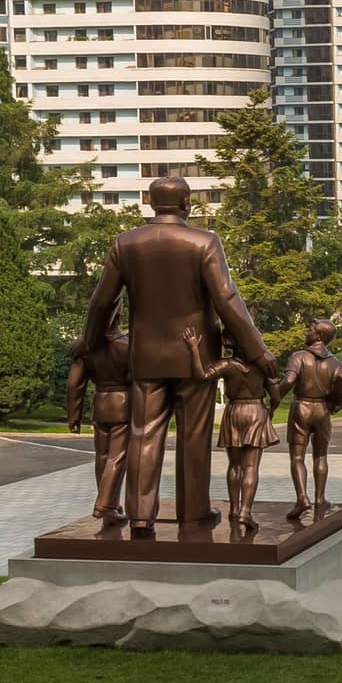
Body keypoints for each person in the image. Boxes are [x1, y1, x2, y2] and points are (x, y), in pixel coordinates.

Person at [80, 176, 274, 537]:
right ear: (186, 202)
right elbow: (228, 301)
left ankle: (140, 515)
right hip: (195, 356)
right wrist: (257, 351)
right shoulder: (203, 242)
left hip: (147, 357)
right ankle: (193, 510)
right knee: (194, 435)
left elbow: (101, 301)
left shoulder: (126, 243)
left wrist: (90, 341)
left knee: (144, 434)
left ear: (151, 202)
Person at [182, 327, 279, 531]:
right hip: (255, 410)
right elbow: (276, 394)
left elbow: (201, 375)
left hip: (234, 411)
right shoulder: (262, 365)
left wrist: (193, 348)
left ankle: (235, 509)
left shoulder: (227, 365)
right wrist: (271, 409)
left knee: (234, 465)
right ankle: (246, 511)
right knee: (251, 467)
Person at [275, 320, 342, 519]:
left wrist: (273, 400)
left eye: (310, 329)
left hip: (301, 407)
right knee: (321, 457)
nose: (306, 331)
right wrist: (334, 407)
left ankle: (302, 497)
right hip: (322, 410)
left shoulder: (299, 357)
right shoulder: (334, 362)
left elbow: (289, 381)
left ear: (318, 336)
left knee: (297, 456)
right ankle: (320, 498)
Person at [66, 301, 131, 526]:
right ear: (119, 319)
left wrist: (73, 416)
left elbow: (74, 385)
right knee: (118, 456)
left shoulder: (85, 348)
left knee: (102, 456)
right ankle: (106, 506)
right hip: (124, 404)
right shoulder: (128, 346)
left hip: (100, 403)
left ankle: (109, 502)